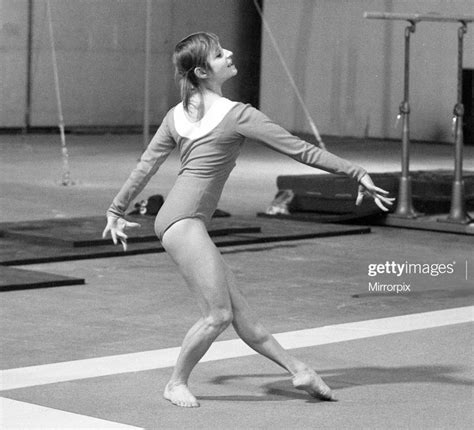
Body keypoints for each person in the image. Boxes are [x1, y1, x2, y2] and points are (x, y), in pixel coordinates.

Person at [103, 32, 394, 408]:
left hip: (179, 219)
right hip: (184, 222)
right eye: (221, 54)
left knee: (241, 313)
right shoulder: (237, 115)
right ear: (204, 71)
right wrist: (355, 172)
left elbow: (145, 167)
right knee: (217, 314)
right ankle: (175, 383)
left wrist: (117, 209)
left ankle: (299, 369)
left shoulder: (180, 115)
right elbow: (300, 150)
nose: (231, 54)